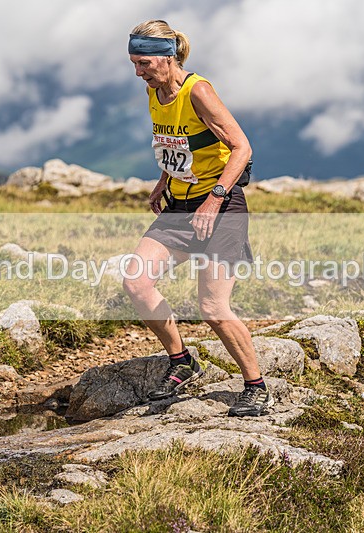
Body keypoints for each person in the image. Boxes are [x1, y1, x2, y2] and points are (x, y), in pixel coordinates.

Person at [123, 19, 272, 417]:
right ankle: (181, 361)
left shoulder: (199, 91)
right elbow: (174, 143)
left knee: (212, 307)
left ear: (167, 57)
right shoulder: (154, 90)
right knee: (136, 281)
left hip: (221, 208)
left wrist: (214, 199)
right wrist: (163, 181)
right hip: (179, 205)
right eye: (134, 63)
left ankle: (255, 386)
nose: (138, 72)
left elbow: (241, 147)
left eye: (143, 63)